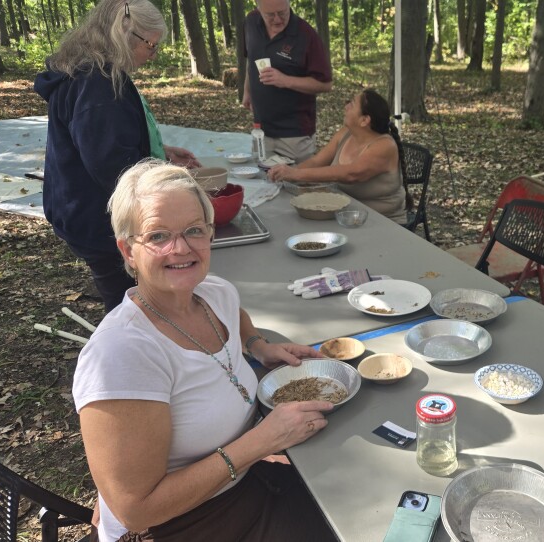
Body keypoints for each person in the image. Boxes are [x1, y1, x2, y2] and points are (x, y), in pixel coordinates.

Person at [73, 160, 336, 541]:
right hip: (179, 524)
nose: (181, 248)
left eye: (194, 230)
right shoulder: (122, 355)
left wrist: (259, 346)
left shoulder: (214, 293)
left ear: (211, 234)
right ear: (128, 251)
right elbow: (134, 510)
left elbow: (237, 315)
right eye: (158, 235)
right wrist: (261, 442)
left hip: (246, 483)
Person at [34, 0, 201, 313]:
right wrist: (173, 188)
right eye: (151, 45)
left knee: (132, 300)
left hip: (83, 209)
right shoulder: (98, 88)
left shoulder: (89, 71)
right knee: (132, 306)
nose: (153, 54)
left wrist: (158, 152)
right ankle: (133, 356)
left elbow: (101, 143)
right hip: (100, 220)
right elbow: (115, 170)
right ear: (126, 36)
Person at [267, 89, 408, 224]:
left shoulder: (384, 146)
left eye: (352, 104)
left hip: (382, 222)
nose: (346, 106)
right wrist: (285, 173)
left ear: (364, 120)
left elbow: (351, 174)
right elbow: (317, 161)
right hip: (345, 214)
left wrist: (296, 174)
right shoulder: (346, 133)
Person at [242, 0, 332, 164]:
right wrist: (247, 90)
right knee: (264, 183)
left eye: (282, 13)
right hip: (261, 129)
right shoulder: (251, 22)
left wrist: (285, 80)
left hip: (294, 134)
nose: (277, 20)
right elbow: (251, 59)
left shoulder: (306, 35)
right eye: (270, 15)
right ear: (258, 8)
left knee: (296, 186)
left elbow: (325, 84)